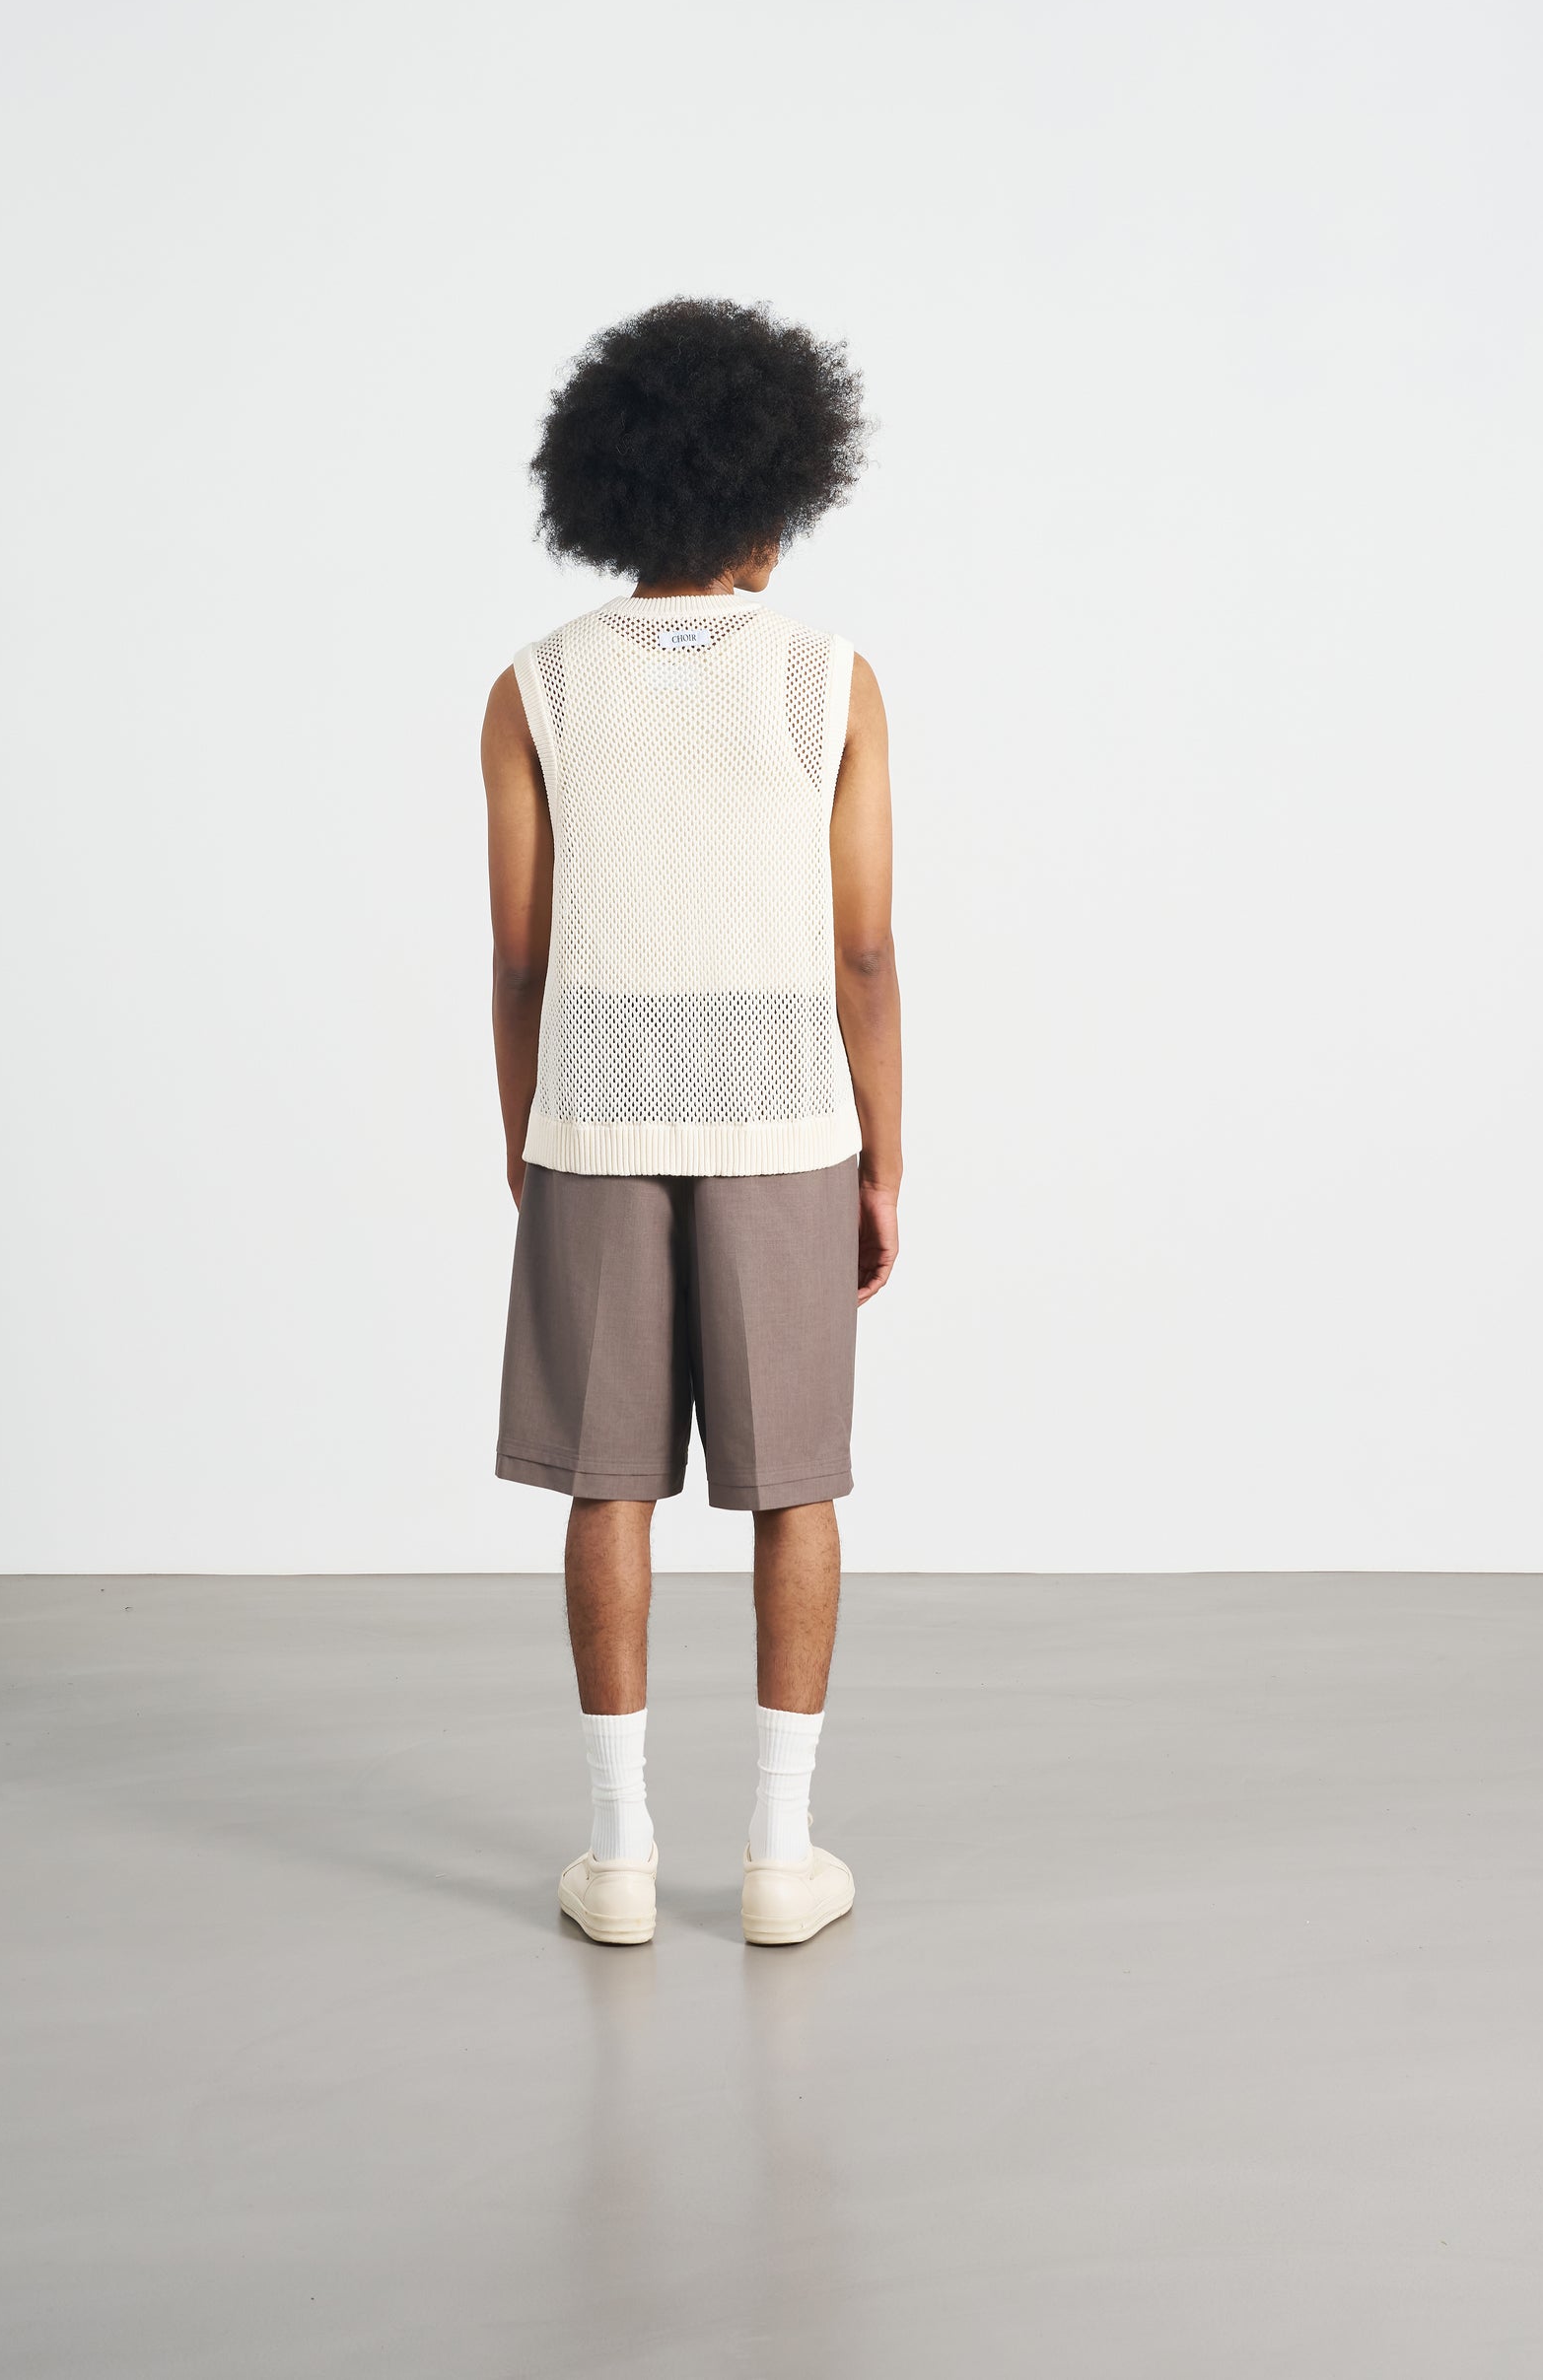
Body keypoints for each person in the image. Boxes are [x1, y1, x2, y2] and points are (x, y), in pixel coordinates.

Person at [481, 297, 901, 1947]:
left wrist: (527, 1137)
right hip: (787, 1118)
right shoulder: (828, 683)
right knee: (797, 1487)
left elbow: (522, 956)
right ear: (775, 497)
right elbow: (862, 952)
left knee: (609, 1486)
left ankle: (619, 1859)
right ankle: (784, 1859)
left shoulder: (536, 689)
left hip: (593, 1118)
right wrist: (884, 1158)